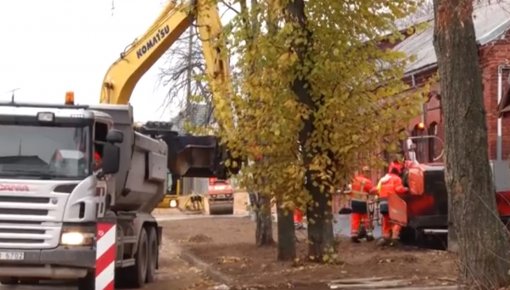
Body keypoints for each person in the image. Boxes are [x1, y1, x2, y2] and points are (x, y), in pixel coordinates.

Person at [376, 165, 408, 246]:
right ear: (397, 172)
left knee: (386, 220)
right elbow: (398, 189)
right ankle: (395, 237)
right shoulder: (396, 179)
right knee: (398, 219)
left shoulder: (383, 179)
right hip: (392, 202)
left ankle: (385, 237)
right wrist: (406, 189)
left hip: (383, 202)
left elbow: (377, 190)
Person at [349, 166, 377, 243]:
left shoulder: (355, 179)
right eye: (367, 172)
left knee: (355, 219)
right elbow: (372, 191)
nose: (368, 173)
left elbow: (350, 189)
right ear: (364, 172)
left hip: (354, 202)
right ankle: (369, 235)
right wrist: (378, 189)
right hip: (363, 202)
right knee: (366, 218)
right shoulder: (367, 181)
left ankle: (354, 235)